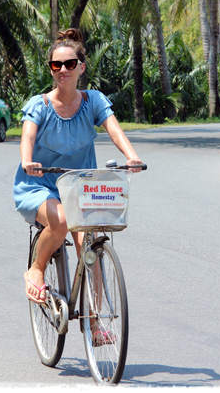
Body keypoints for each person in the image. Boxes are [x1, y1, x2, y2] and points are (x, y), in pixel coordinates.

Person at [13, 28, 144, 306]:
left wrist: (132, 156)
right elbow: (28, 136)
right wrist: (27, 161)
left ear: (81, 67)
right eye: (56, 65)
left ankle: (95, 319)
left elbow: (114, 129)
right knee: (60, 222)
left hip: (79, 189)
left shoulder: (93, 101)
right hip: (40, 185)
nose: (63, 69)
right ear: (51, 69)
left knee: (91, 248)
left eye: (70, 64)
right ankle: (36, 268)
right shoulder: (40, 105)